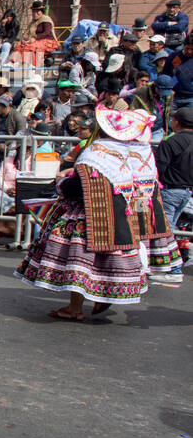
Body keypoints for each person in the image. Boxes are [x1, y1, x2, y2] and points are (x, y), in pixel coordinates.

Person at [16, 106, 179, 318]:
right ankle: (103, 297)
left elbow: (78, 186)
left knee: (79, 261)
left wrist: (61, 184)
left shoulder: (98, 153)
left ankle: (75, 308)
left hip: (93, 216)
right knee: (109, 260)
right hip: (127, 217)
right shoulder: (140, 153)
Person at [155, 106, 193, 241]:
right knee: (169, 229)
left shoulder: (170, 141)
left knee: (164, 231)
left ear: (177, 122)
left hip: (170, 191)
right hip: (187, 193)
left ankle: (167, 259)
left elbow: (158, 167)